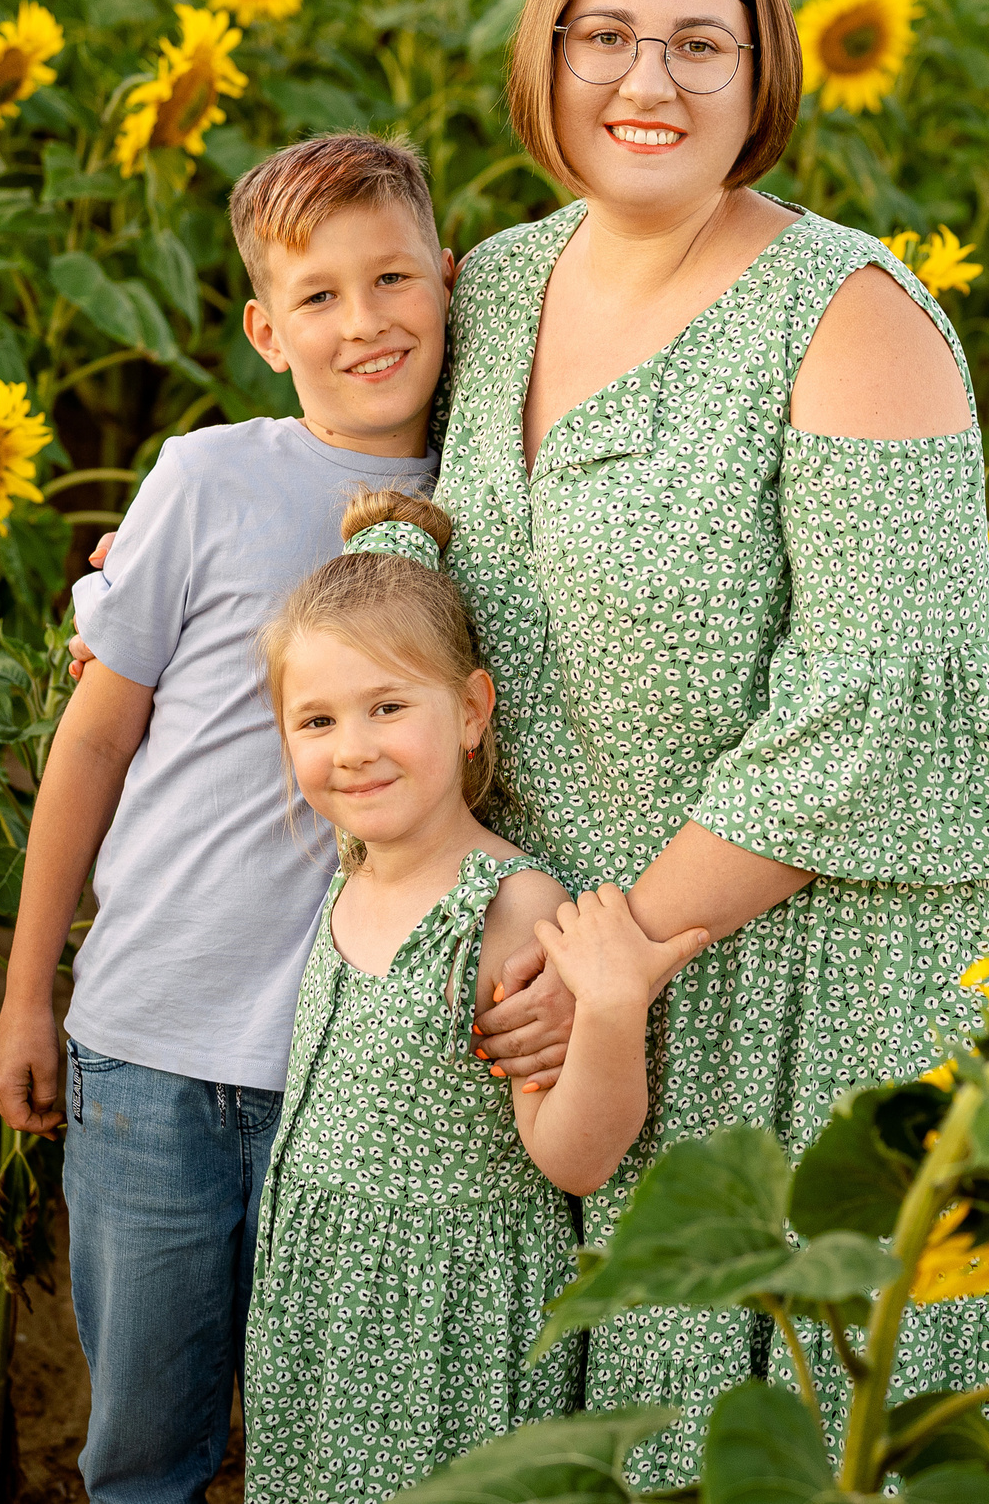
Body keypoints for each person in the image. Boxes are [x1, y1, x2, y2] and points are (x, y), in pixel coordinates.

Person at [434, 0, 989, 1493]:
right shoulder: (503, 285)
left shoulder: (854, 319)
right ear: (546, 55)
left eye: (700, 44)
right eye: (606, 35)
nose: (648, 84)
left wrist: (631, 942)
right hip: (613, 975)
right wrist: (166, 565)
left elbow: (870, 700)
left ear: (763, 79)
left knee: (833, 1429)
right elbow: (378, 486)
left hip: (851, 965)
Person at [0, 133, 569, 1503]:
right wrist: (28, 991)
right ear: (264, 327)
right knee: (145, 1442)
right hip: (152, 1042)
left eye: (392, 278)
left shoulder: (494, 506)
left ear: (452, 279)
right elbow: (95, 739)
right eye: (318, 295)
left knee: (334, 1440)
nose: (363, 322)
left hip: (372, 1070)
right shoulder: (205, 480)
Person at [241, 492, 713, 1503]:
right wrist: (392, 536)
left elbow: (573, 1152)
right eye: (315, 719)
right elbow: (376, 626)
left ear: (471, 710)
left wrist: (615, 1000)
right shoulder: (350, 867)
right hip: (323, 1291)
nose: (353, 747)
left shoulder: (506, 906)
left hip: (446, 1316)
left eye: (387, 707)